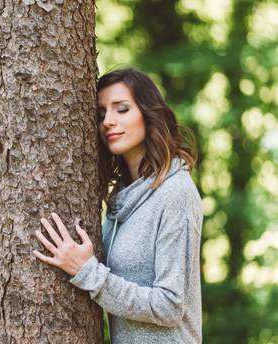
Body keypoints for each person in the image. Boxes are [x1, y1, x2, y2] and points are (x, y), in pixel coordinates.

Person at [32, 67, 203, 343]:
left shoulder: (176, 193)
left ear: (149, 114)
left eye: (121, 109)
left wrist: (88, 272)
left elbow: (171, 305)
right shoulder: (123, 198)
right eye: (101, 114)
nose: (108, 121)